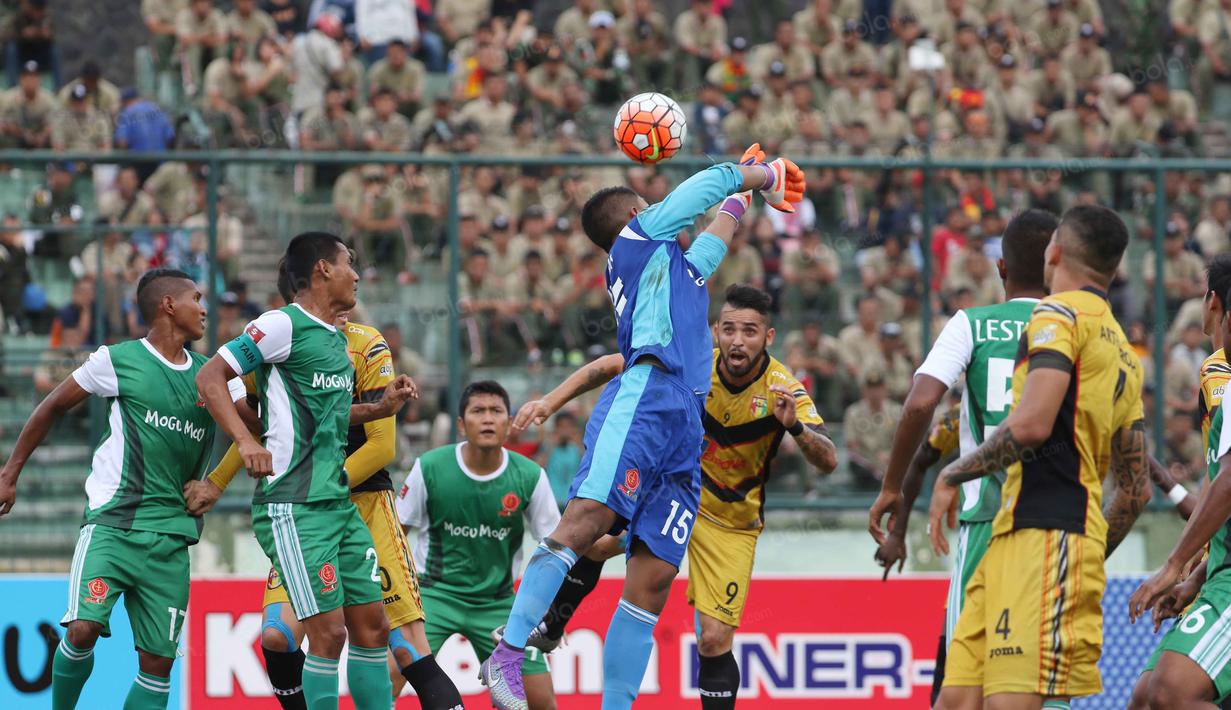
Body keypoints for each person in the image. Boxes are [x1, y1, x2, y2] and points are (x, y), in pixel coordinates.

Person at [480, 147, 805, 710]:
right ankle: (507, 654)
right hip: (647, 397)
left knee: (651, 581)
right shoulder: (638, 239)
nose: (660, 209)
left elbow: (716, 235)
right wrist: (762, 173)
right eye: (650, 205)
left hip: (683, 424)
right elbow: (707, 184)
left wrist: (744, 197)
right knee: (586, 521)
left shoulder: (674, 269)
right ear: (637, 217)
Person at [505, 284, 838, 710]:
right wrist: (549, 402)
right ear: (715, 331)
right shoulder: (694, 364)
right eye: (729, 329)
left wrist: (795, 427)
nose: (738, 341)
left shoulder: (782, 388)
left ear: (768, 337)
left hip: (731, 522)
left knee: (713, 638)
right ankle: (552, 628)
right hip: (676, 495)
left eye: (750, 331)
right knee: (595, 539)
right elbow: (610, 365)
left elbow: (828, 459)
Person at [187, 263, 462, 710]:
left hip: (361, 503)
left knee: (394, 638)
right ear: (314, 284)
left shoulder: (363, 344)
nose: (354, 280)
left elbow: (381, 447)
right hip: (304, 506)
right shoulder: (278, 338)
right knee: (283, 634)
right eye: (345, 269)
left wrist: (332, 469)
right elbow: (264, 425)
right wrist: (218, 480)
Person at [928, 205, 1151, 709]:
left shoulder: (1057, 314)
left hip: (1045, 538)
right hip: (1027, 535)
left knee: (1010, 702)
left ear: (1055, 252)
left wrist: (952, 474)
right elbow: (1136, 489)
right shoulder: (1123, 349)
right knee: (956, 698)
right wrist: (1088, 548)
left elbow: (1031, 425)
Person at [0, 269, 247, 710]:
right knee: (82, 629)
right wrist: (9, 474)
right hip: (113, 526)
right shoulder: (118, 360)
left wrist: (216, 482)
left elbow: (257, 427)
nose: (204, 308)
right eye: (195, 298)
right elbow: (51, 406)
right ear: (168, 305)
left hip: (171, 537)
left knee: (158, 664)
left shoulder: (214, 376)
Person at [867, 209, 1058, 702]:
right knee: (1044, 685)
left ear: (1000, 267)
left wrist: (891, 487)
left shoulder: (972, 324)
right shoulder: (1079, 329)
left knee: (963, 682)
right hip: (1058, 528)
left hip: (987, 523)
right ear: (1057, 265)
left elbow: (920, 404)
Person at [395, 381, 561, 710]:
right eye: (478, 411)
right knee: (387, 674)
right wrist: (394, 597)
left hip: (498, 602)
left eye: (496, 411)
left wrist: (553, 611)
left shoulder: (530, 475)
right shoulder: (430, 466)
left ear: (509, 423)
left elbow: (555, 548)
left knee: (541, 702)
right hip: (434, 596)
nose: (487, 418)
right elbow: (395, 533)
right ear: (461, 424)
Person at [1127, 254, 1231, 709]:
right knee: (1145, 696)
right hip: (1216, 568)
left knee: (1170, 692)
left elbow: (1225, 484)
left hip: (1222, 573)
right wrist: (1193, 578)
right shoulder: (1217, 374)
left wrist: (1175, 564)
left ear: (1213, 302)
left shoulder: (1219, 374)